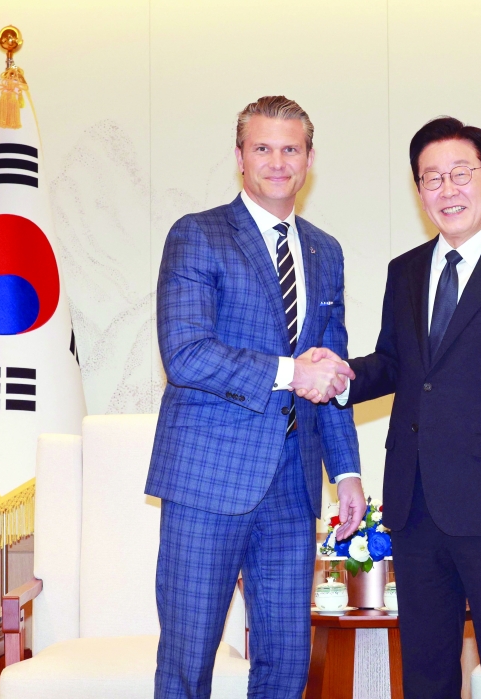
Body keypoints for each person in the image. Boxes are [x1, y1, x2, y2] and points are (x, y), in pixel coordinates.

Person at [313, 117, 481, 698]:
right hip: (415, 506)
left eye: (461, 174)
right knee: (427, 675)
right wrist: (338, 378)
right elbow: (393, 363)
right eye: (431, 179)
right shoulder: (405, 271)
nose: (447, 190)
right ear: (419, 192)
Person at [146, 95, 364, 699]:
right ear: (240, 156)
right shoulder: (197, 235)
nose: (276, 161)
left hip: (293, 488)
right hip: (207, 482)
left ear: (309, 158)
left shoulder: (327, 250)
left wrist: (345, 472)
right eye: (262, 147)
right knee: (188, 663)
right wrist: (289, 372)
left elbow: (332, 371)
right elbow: (185, 353)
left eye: (290, 148)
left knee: (286, 665)